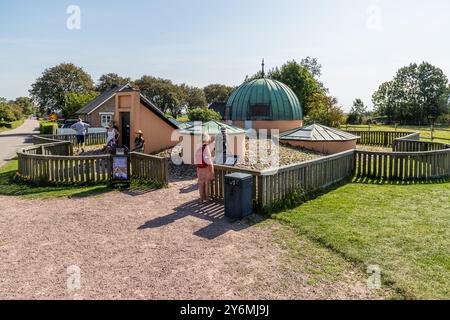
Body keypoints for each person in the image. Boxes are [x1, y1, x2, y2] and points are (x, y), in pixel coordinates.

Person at [196, 133, 215, 205]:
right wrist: (211, 169)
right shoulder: (206, 147)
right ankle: (207, 199)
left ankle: (201, 200)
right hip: (206, 168)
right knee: (206, 183)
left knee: (200, 184)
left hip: (199, 168)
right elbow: (208, 159)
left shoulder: (199, 146)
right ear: (206, 138)